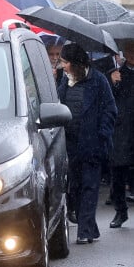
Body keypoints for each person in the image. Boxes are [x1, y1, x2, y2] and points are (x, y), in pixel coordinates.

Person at [57, 43, 117, 244]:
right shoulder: (65, 81)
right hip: (69, 144)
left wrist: (102, 134)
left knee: (90, 187)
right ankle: (88, 226)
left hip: (92, 143)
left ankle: (85, 230)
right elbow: (57, 105)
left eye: (64, 62)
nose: (62, 66)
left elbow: (110, 110)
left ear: (74, 63)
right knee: (74, 186)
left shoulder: (98, 80)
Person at [107, 40, 134, 228]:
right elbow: (107, 101)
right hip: (121, 130)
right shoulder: (116, 74)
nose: (132, 53)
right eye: (130, 49)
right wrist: (113, 83)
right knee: (117, 172)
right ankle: (120, 211)